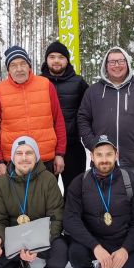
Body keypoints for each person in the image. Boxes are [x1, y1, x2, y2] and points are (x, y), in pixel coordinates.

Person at [0, 136, 68, 268]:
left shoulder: (48, 180)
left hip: (43, 237)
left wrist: (37, 245)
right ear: (12, 157)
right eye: (19, 153)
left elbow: (57, 216)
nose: (24, 157)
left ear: (36, 156)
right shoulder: (2, 183)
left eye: (29, 153)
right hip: (13, 239)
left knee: (61, 250)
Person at [64, 135, 134, 268]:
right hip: (93, 242)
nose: (104, 159)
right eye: (99, 154)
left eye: (109, 154)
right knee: (76, 253)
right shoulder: (80, 182)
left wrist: (125, 249)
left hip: (121, 241)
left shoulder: (130, 181)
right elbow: (71, 220)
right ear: (92, 156)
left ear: (116, 156)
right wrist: (95, 246)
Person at [77, 46, 134, 185]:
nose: (117, 65)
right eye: (112, 62)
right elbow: (83, 119)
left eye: (121, 61)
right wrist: (92, 144)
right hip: (102, 161)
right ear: (106, 65)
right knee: (103, 202)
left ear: (127, 64)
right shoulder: (93, 91)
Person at [0, 45, 66, 177]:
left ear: (29, 66)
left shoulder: (46, 85)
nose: (19, 69)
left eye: (23, 63)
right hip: (13, 161)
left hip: (45, 160)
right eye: (13, 65)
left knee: (46, 197)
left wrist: (59, 154)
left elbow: (58, 121)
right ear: (8, 69)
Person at [40, 41, 89, 191]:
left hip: (72, 147)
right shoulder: (38, 82)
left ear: (67, 60)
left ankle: (71, 215)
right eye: (52, 57)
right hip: (44, 148)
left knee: (74, 191)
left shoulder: (79, 82)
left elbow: (88, 111)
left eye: (61, 57)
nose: (56, 61)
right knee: (46, 194)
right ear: (46, 60)